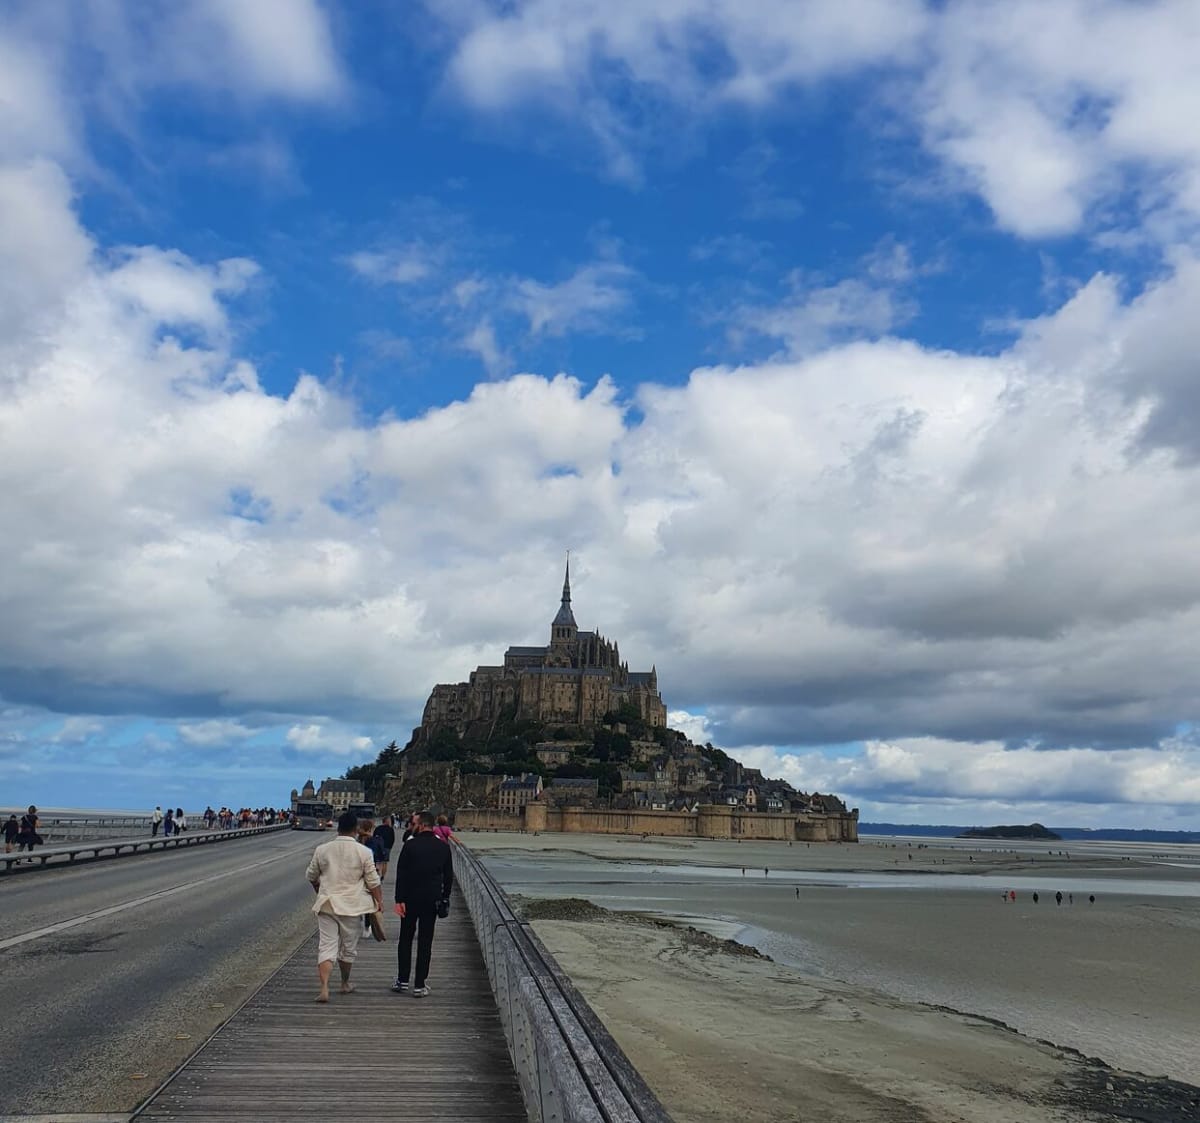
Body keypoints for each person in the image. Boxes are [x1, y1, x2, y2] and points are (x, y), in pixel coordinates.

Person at [306, 810, 383, 1004]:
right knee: (348, 948)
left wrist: (318, 889)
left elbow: (311, 875)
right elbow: (373, 882)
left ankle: (324, 987)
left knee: (326, 946)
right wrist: (379, 903)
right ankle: (344, 983)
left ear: (338, 828)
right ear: (356, 829)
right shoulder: (363, 852)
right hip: (352, 906)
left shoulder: (322, 850)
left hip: (327, 904)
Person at [392, 811, 454, 998]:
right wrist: (445, 897)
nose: (412, 826)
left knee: (405, 939)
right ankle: (419, 984)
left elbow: (401, 874)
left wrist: (399, 900)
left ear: (422, 825)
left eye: (414, 823)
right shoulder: (443, 847)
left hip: (410, 898)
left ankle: (403, 980)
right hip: (431, 899)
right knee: (425, 942)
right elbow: (448, 877)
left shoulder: (410, 845)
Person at [357, 818, 386, 932]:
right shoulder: (375, 841)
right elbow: (381, 856)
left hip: (357, 872)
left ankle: (358, 919)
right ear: (370, 829)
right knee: (370, 899)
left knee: (357, 896)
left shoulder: (357, 841)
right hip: (371, 870)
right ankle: (367, 926)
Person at [373, 816, 396, 880]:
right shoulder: (390, 829)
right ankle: (383, 876)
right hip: (387, 847)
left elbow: (374, 837)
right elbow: (392, 839)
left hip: (378, 847)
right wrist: (390, 847)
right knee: (385, 862)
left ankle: (377, 874)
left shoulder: (378, 828)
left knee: (377, 861)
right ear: (387, 821)